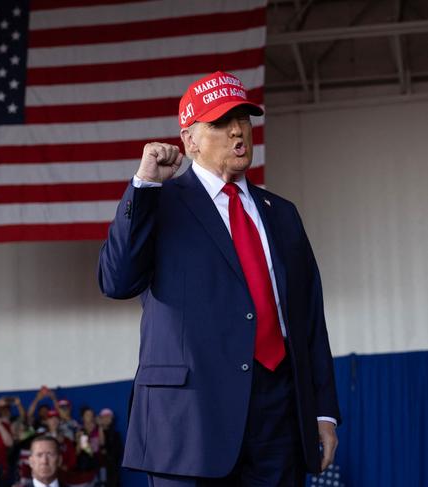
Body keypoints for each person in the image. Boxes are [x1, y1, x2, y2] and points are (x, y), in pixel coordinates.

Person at [98, 70, 340, 486]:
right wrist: (143, 185)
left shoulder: (281, 214)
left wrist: (323, 411)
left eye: (243, 118)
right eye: (221, 123)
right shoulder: (160, 200)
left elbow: (309, 321)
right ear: (189, 140)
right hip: (190, 421)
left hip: (278, 417)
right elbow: (116, 281)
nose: (238, 131)